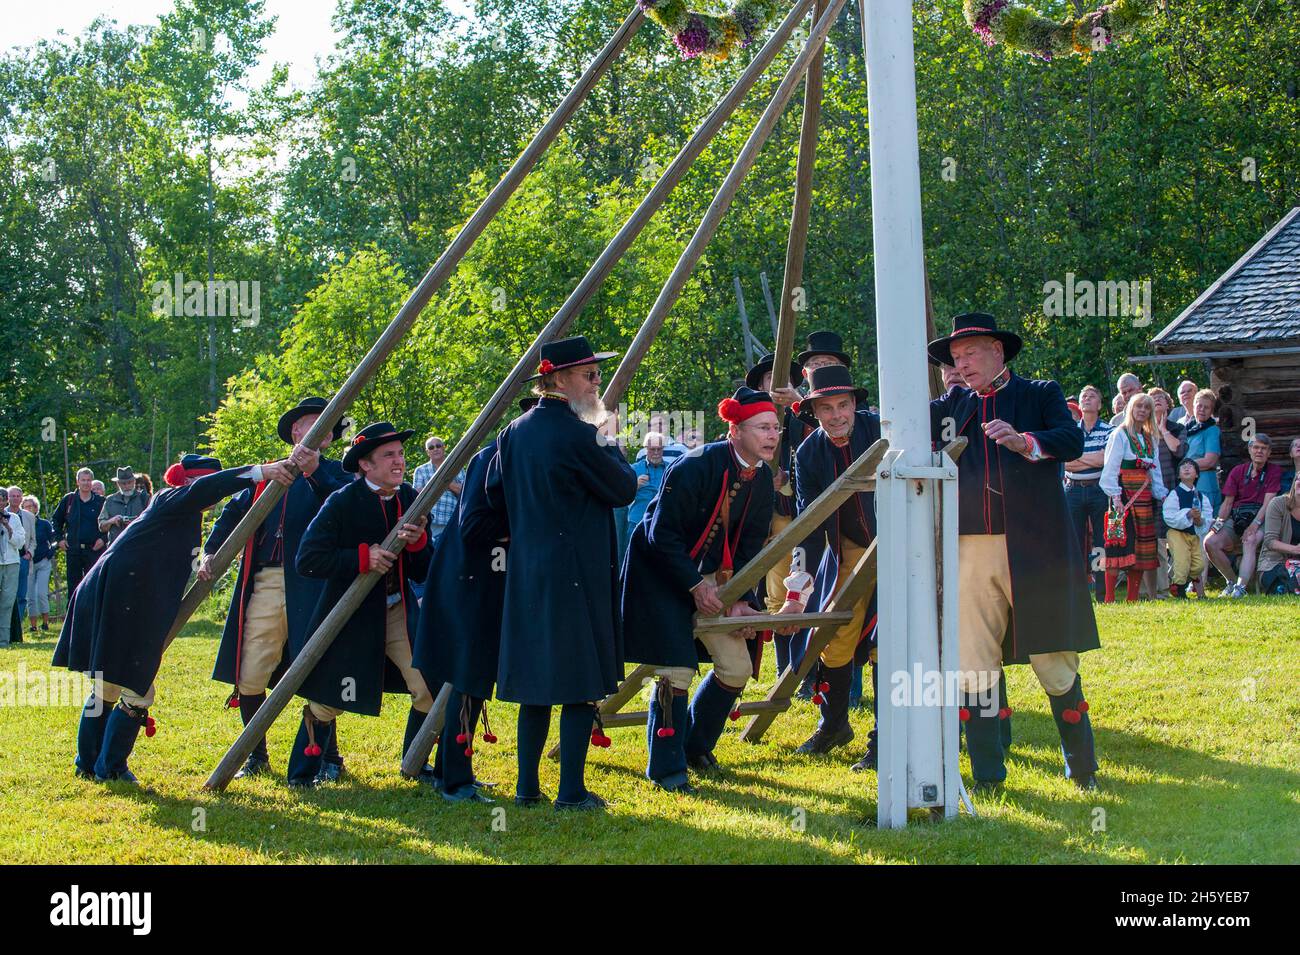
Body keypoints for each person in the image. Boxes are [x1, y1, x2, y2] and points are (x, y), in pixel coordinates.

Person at [928, 313, 1100, 791]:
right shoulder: (947, 409)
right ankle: (988, 775)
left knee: (1054, 656)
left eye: (971, 353)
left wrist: (1027, 442)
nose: (962, 364)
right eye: (956, 358)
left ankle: (1082, 766)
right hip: (968, 549)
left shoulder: (1039, 393)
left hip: (1037, 547)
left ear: (998, 351)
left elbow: (1071, 440)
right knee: (973, 659)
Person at [54, 453, 296, 782]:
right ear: (192, 483)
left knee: (107, 686)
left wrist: (204, 561)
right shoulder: (172, 497)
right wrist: (261, 472)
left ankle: (89, 764)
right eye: (206, 486)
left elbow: (176, 557)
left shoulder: (181, 512)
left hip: (118, 598)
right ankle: (108, 768)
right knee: (136, 691)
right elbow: (210, 488)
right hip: (118, 598)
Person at [485, 336, 637, 810]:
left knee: (536, 683)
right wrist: (608, 437)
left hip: (529, 570)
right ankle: (570, 791)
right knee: (578, 682)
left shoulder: (513, 433)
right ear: (557, 380)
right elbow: (624, 487)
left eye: (596, 374)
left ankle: (526, 788)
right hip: (576, 571)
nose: (597, 383)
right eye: (589, 375)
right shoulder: (581, 432)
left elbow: (493, 497)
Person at [622, 388, 779, 792]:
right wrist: (694, 586)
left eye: (775, 428)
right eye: (763, 427)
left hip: (715, 579)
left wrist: (744, 599)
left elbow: (749, 547)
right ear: (736, 431)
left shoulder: (762, 477)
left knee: (737, 667)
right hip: (662, 573)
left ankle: (695, 748)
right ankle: (667, 770)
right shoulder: (695, 465)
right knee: (676, 671)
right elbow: (661, 534)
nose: (772, 435)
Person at [199, 397, 350, 782]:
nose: (323, 430)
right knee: (250, 671)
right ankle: (256, 755)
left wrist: (316, 474)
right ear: (297, 431)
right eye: (314, 423)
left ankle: (327, 758)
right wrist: (210, 552)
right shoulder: (269, 473)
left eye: (328, 425)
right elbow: (233, 514)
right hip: (267, 579)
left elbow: (348, 509)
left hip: (317, 584)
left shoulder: (338, 473)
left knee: (319, 668)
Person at [291, 422, 434, 788]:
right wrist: (361, 558)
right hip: (352, 616)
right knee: (328, 701)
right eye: (389, 455)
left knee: (429, 688)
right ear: (366, 466)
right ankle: (303, 775)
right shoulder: (342, 501)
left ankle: (415, 764)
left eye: (401, 453)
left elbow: (422, 567)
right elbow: (308, 559)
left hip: (398, 609)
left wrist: (417, 543)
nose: (399, 461)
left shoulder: (412, 498)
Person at [413, 398, 538, 804]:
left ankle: (451, 769)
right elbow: (474, 527)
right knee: (466, 677)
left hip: (489, 582)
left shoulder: (522, 461)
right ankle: (455, 781)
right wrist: (525, 529)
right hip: (466, 583)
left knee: (471, 677)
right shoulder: (493, 460)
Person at [791, 365, 884, 766]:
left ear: (854, 405)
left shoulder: (881, 429)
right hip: (847, 551)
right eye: (825, 408)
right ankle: (834, 725)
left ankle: (885, 739)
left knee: (888, 643)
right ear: (813, 412)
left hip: (899, 547)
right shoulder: (809, 452)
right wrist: (799, 589)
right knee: (834, 634)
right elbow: (808, 524)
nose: (835, 416)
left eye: (842, 405)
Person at [743, 356, 808, 678]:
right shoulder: (745, 426)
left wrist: (799, 407)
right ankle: (786, 673)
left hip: (802, 518)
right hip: (760, 520)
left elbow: (821, 446)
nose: (777, 384)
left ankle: (806, 673)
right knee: (775, 597)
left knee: (802, 595)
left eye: (783, 378)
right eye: (771, 377)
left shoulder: (803, 415)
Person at [1100, 392, 1169, 603]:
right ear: (1131, 408)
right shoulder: (1119, 434)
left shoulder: (1150, 439)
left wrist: (1161, 494)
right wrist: (1116, 497)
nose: (1142, 410)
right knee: (1118, 544)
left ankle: (1132, 599)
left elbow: (1155, 472)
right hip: (1122, 495)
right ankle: (1110, 598)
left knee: (1142, 547)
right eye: (1138, 406)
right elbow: (1110, 468)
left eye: (1146, 408)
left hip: (1144, 498)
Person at [1205, 434, 1282, 597]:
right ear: (1249, 450)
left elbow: (1268, 503)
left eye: (1263, 448)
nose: (1259, 451)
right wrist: (1218, 524)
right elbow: (1227, 503)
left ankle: (1240, 588)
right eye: (1256, 447)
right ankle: (1232, 582)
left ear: (1269, 453)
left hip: (1262, 517)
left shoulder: (1274, 471)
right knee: (1210, 542)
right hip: (1237, 517)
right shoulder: (1238, 471)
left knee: (1250, 540)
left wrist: (1254, 525)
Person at [1064, 385, 1112, 602]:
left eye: (1092, 396)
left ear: (1099, 404)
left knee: (1101, 542)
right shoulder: (1071, 430)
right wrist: (1088, 459)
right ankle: (1077, 592)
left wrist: (1079, 458)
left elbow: (1104, 460)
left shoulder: (1108, 430)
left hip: (1098, 490)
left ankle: (1101, 591)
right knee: (1074, 540)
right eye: (1084, 396)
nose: (1087, 399)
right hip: (1073, 491)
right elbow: (1065, 462)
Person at [1146, 388, 1187, 598]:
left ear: (1169, 403)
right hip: (1151, 490)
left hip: (1173, 489)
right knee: (1158, 539)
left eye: (1161, 398)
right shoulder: (1143, 429)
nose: (1157, 401)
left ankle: (1179, 584)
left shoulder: (1176, 427)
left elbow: (1178, 451)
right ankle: (1161, 588)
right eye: (1153, 399)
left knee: (1177, 537)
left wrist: (1163, 430)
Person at [1162, 460, 1212, 598]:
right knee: (1182, 561)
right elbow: (1169, 516)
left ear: (1197, 474)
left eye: (1191, 466)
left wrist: (1199, 520)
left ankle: (1183, 584)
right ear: (1178, 475)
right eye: (1183, 467)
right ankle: (1179, 589)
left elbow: (1207, 517)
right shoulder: (1175, 494)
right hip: (1177, 533)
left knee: (1199, 564)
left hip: (1194, 534)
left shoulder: (1201, 497)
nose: (1187, 468)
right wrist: (1188, 514)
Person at [51, 469, 106, 593]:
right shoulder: (68, 500)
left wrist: (103, 539)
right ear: (77, 482)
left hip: (94, 550)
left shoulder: (100, 501)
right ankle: (73, 613)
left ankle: (93, 612)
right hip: (73, 550)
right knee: (74, 588)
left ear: (92, 482)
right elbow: (56, 521)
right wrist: (59, 539)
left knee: (94, 586)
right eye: (83, 480)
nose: (86, 483)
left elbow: (107, 524)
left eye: (88, 480)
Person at [412, 436, 465, 545]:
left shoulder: (457, 468)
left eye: (438, 446)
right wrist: (450, 486)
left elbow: (464, 492)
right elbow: (417, 495)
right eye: (431, 447)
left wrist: (443, 483)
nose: (435, 449)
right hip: (428, 523)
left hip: (452, 521)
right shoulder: (420, 470)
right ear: (427, 452)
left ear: (444, 448)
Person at [1258, 472, 1300, 595]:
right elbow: (1270, 541)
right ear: (1294, 483)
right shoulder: (1278, 504)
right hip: (1275, 563)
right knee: (1286, 585)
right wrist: (1296, 550)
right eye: (1298, 479)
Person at [627, 431, 670, 544]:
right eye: (652, 449)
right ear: (646, 449)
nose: (656, 453)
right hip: (637, 520)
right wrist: (635, 485)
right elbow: (621, 495)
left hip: (661, 522)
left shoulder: (670, 469)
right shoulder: (634, 469)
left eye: (659, 449)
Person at [7, 485, 35, 640]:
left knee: (21, 595)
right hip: (6, 558)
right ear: (7, 498)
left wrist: (30, 553)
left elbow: (33, 540)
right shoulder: (5, 515)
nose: (15, 499)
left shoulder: (29, 516)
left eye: (18, 496)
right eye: (12, 496)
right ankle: (7, 627)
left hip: (23, 558)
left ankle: (17, 628)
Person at [23, 496, 54, 634]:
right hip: (28, 562)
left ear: (36, 508)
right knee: (30, 595)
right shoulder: (21, 523)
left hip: (43, 562)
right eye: (26, 506)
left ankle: (45, 622)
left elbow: (54, 540)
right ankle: (33, 625)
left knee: (41, 593)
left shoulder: (44, 524)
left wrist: (49, 554)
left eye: (32, 506)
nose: (29, 509)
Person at [0, 495, 26, 647]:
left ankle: (3, 640)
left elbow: (20, 542)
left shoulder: (14, 518)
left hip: (11, 563)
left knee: (7, 602)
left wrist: (7, 527)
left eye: (2, 500)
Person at [99, 467, 150, 545]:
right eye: (123, 483)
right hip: (116, 548)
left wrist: (136, 522)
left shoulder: (144, 498)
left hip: (138, 546)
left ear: (134, 481)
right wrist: (112, 521)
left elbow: (152, 523)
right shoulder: (110, 500)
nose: (126, 486)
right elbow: (101, 526)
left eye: (129, 482)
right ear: (118, 484)